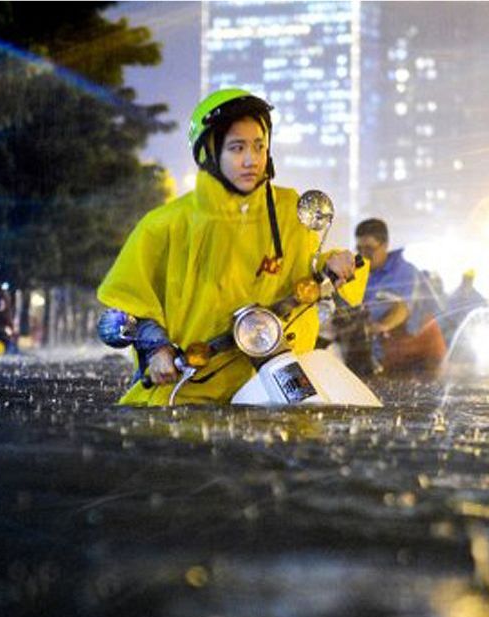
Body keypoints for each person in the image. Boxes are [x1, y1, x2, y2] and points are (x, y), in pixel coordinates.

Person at [97, 87, 366, 405]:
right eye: (237, 148)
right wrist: (157, 350)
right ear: (209, 152)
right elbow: (130, 302)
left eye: (259, 146)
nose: (252, 160)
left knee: (318, 422)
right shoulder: (164, 225)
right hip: (191, 387)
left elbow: (310, 263)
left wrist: (338, 263)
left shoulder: (288, 211)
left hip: (276, 371)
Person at [351, 218, 447, 376]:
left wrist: (378, 327)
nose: (363, 255)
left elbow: (401, 309)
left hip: (420, 354)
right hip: (388, 353)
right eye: (359, 249)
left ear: (385, 245)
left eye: (369, 249)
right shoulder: (361, 274)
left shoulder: (404, 272)